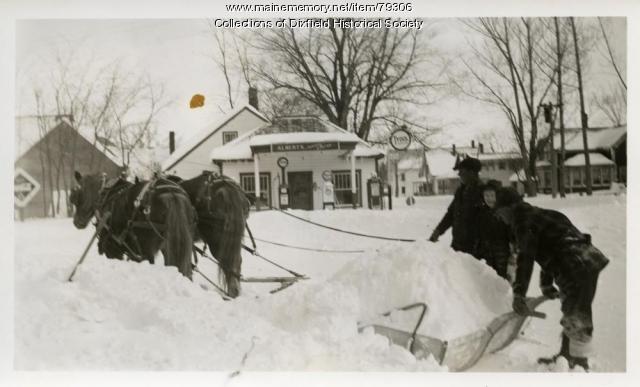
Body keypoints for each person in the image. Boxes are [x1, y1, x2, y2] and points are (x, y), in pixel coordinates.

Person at [494, 197, 609, 370]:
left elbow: (527, 257)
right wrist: (546, 284)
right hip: (586, 260)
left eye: (499, 213)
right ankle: (566, 356)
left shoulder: (522, 221)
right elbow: (551, 248)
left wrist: (519, 294)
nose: (500, 219)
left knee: (577, 312)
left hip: (573, 265)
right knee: (572, 309)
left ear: (507, 208)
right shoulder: (542, 214)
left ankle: (578, 361)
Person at [428, 157, 484, 255]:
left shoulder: (483, 192)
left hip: (476, 249)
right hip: (457, 245)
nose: (459, 174)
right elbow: (450, 215)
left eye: (461, 171)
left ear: (471, 173)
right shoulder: (460, 191)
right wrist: (437, 232)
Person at [473, 181, 512, 280]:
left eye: (492, 195)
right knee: (490, 279)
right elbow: (479, 234)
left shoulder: (504, 212)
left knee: (503, 278)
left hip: (503, 253)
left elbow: (511, 233)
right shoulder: (482, 213)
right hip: (487, 253)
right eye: (486, 195)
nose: (489, 198)